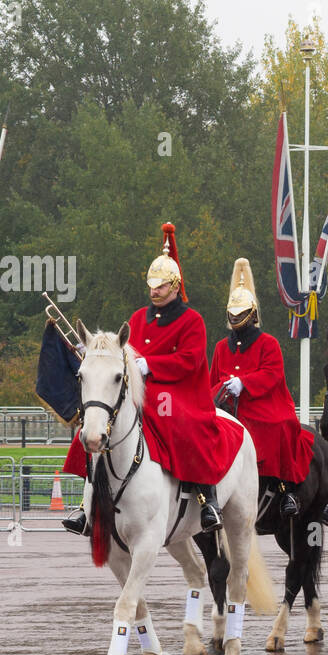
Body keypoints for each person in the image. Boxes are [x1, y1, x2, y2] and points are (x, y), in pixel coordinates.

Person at [61, 223, 242, 535]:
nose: (154, 291)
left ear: (174, 286)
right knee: (93, 423)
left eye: (160, 286)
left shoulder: (192, 321)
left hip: (179, 392)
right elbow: (121, 355)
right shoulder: (136, 318)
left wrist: (149, 365)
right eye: (152, 285)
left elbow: (190, 360)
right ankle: (86, 503)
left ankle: (206, 496)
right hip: (137, 391)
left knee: (189, 427)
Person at [210, 257, 315, 518]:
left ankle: (286, 487)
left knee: (280, 425)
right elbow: (211, 379)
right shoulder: (222, 347)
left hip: (263, 402)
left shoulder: (268, 343)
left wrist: (244, 383)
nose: (236, 319)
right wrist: (221, 389)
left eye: (241, 314)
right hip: (228, 405)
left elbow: (272, 374)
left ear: (252, 314)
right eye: (233, 315)